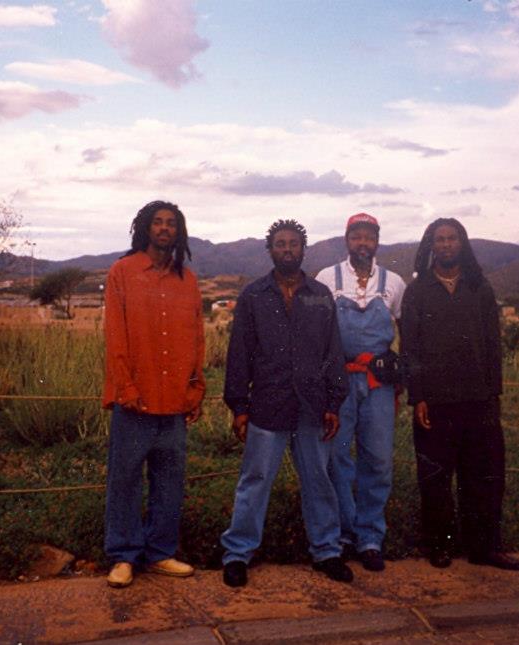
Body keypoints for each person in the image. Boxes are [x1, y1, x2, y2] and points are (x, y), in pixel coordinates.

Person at [220, 219, 351, 588]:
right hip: (267, 403)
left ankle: (326, 551)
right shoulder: (253, 295)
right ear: (270, 249)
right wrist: (239, 407)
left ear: (303, 249)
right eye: (281, 243)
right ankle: (237, 554)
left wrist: (334, 402)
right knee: (255, 480)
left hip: (312, 405)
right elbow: (239, 354)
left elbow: (333, 351)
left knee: (318, 480)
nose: (288, 249)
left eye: (294, 243)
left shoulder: (320, 295)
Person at [400, 217, 519, 571]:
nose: (445, 244)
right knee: (435, 479)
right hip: (435, 402)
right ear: (431, 245)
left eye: (451, 238)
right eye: (439, 239)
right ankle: (439, 546)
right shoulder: (418, 290)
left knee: (483, 477)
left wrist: (493, 394)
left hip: (478, 400)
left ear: (462, 243)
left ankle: (484, 548)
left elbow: (492, 345)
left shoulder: (479, 287)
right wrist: (418, 397)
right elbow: (410, 348)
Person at [101, 200, 205, 588]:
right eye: (157, 222)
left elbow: (197, 337)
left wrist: (196, 387)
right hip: (135, 399)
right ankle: (123, 556)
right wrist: (125, 386)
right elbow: (115, 335)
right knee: (125, 479)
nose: (164, 228)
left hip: (175, 399)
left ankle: (160, 553)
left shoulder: (188, 280)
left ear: (179, 231)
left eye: (171, 223)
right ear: (145, 228)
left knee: (170, 480)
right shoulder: (122, 272)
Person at [315, 213, 406, 572]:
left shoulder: (394, 282)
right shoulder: (327, 278)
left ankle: (370, 537)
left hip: (378, 382)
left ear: (377, 241)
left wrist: (402, 370)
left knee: (378, 459)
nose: (363, 243)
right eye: (357, 237)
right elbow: (315, 330)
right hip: (339, 380)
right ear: (347, 240)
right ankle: (341, 534)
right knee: (335, 456)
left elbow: (406, 329)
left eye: (369, 237)